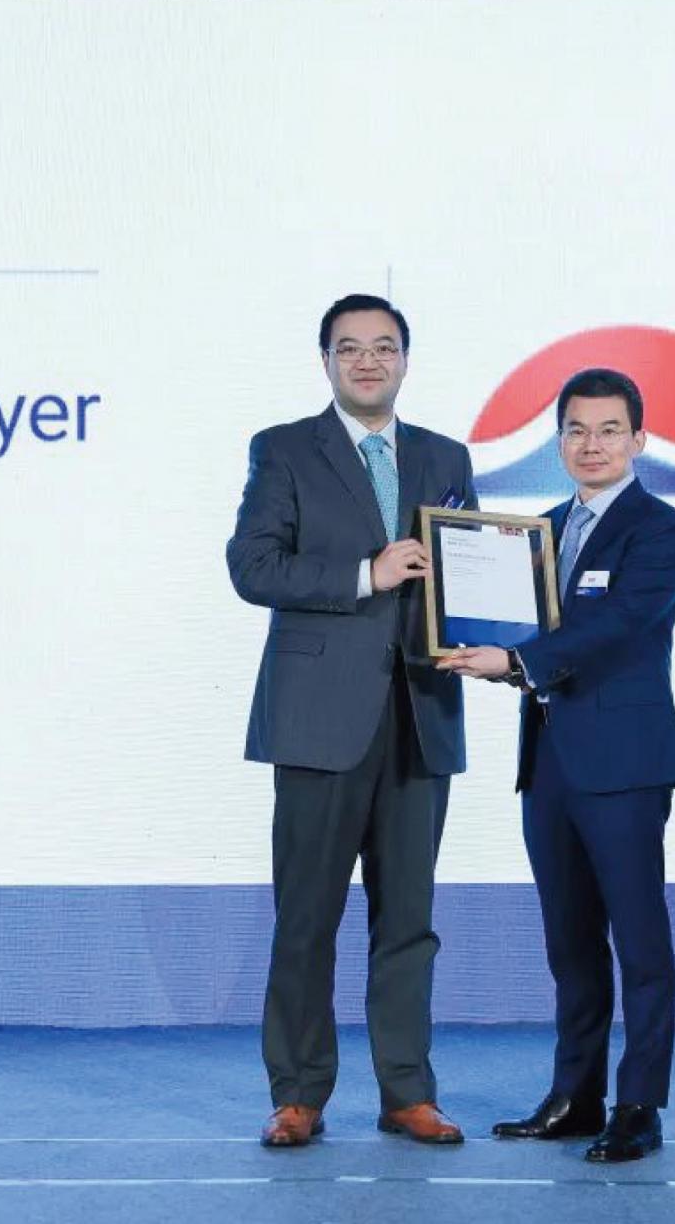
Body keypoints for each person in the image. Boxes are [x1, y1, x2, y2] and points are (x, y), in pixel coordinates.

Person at [227, 294, 477, 1149]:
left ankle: (408, 1092)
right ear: (327, 360)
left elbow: (466, 571)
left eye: (383, 347)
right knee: (307, 919)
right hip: (317, 719)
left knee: (409, 922)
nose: (368, 361)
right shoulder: (284, 449)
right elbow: (253, 566)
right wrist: (366, 574)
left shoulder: (446, 456)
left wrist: (494, 620)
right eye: (350, 348)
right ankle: (298, 1093)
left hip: (421, 713)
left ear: (405, 358)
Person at [438, 367, 675, 1163]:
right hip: (547, 762)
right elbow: (507, 623)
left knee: (640, 944)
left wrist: (515, 662)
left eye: (610, 430)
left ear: (639, 440)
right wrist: (459, 629)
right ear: (558, 442)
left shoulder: (660, 529)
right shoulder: (538, 533)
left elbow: (618, 625)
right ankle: (577, 1096)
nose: (592, 445)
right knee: (570, 944)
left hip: (625, 764)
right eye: (576, 430)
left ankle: (639, 1105)